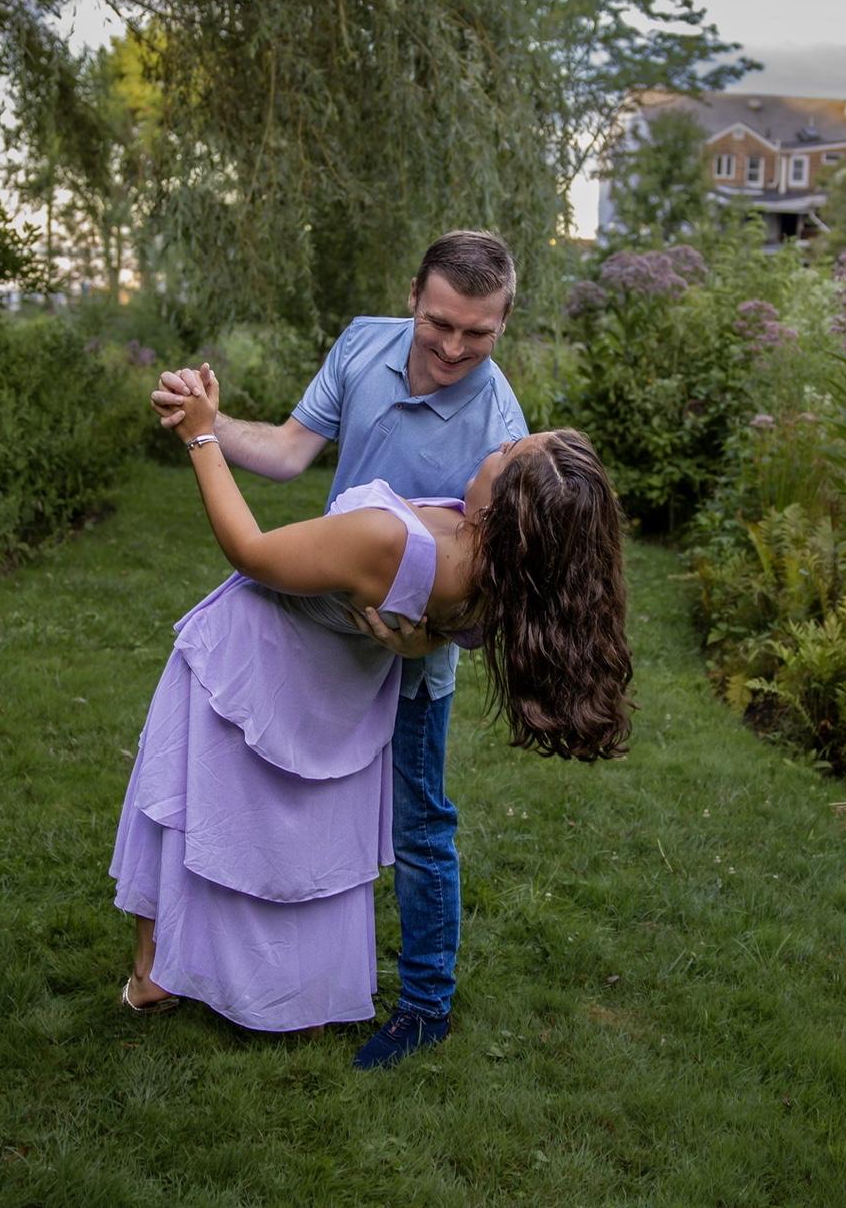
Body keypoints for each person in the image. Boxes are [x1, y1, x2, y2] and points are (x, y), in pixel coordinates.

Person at [111, 362, 631, 1054]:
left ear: (501, 508)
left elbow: (252, 552)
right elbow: (454, 628)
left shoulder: (391, 544)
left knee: (192, 809)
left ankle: (154, 975)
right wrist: (423, 642)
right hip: (334, 696)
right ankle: (293, 995)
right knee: (290, 845)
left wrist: (202, 437)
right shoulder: (502, 577)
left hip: (251, 669)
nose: (497, 445)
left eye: (507, 452)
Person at [141, 230, 556, 1066]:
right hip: (319, 632)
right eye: (440, 323)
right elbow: (290, 451)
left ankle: (425, 1004)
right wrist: (209, 425)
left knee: (419, 824)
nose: (453, 348)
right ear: (414, 298)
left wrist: (428, 636)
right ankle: (271, 972)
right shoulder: (364, 344)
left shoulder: (502, 431)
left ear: (505, 322)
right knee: (305, 808)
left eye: (478, 333)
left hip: (412, 664)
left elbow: (500, 587)